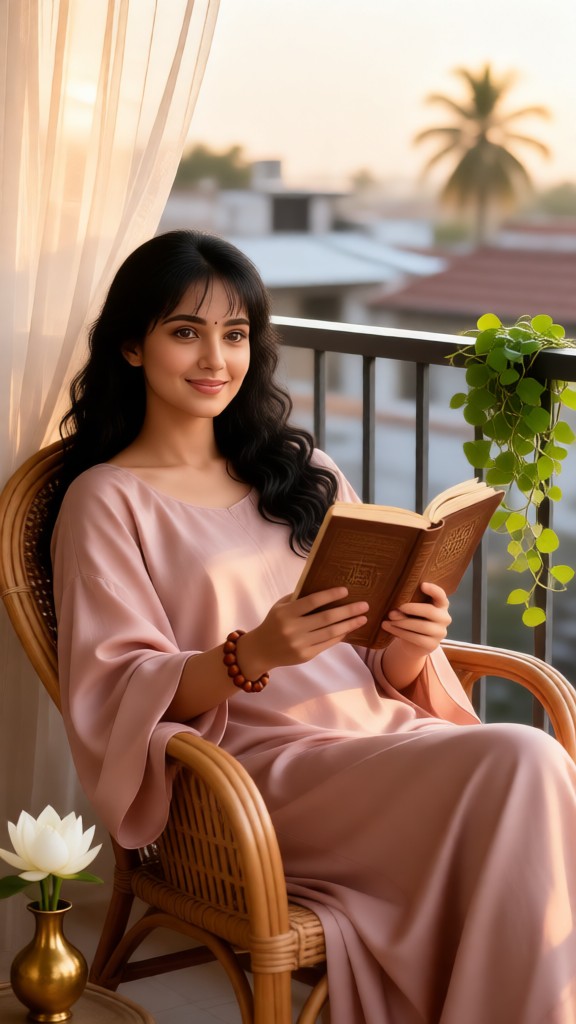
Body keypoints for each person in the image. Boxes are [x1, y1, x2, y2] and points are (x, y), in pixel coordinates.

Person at [50, 229, 576, 1024]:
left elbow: (374, 671)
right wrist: (249, 654)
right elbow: (115, 691)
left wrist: (410, 645)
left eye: (234, 335)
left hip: (385, 741)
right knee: (527, 757)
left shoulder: (309, 473)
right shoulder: (107, 500)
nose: (214, 360)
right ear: (132, 345)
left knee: (529, 773)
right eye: (185, 332)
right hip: (259, 784)